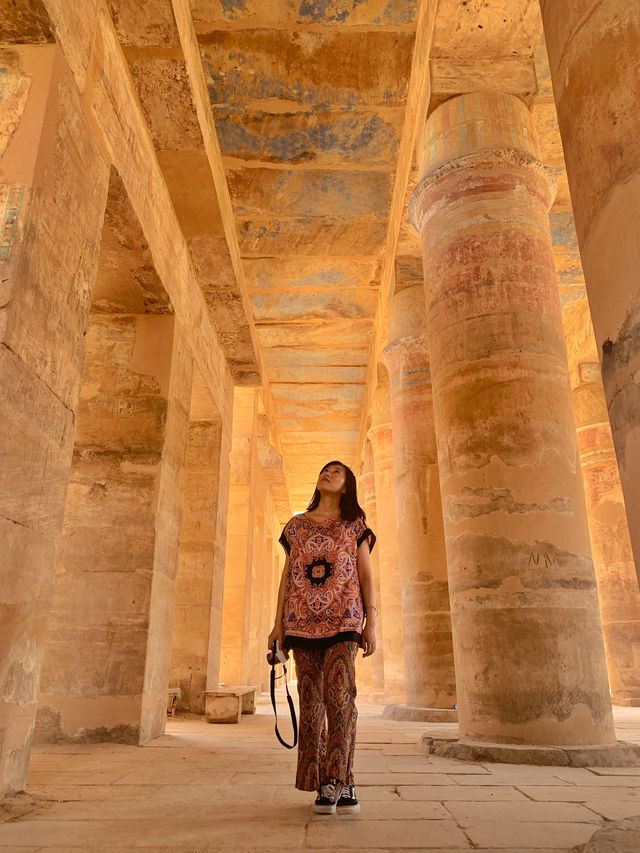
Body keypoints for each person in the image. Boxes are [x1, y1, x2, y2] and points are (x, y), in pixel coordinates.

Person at [267, 460, 377, 815]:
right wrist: (277, 625)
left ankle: (336, 780)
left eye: (336, 472)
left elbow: (366, 576)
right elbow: (288, 576)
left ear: (347, 486)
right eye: (324, 470)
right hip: (300, 625)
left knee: (341, 698)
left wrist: (370, 622)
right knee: (312, 704)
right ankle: (334, 783)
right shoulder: (296, 526)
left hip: (345, 621)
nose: (327, 474)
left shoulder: (354, 526)